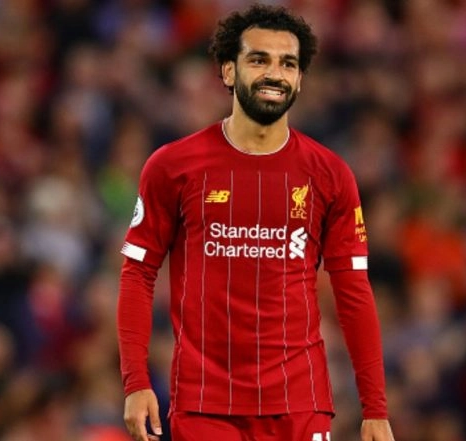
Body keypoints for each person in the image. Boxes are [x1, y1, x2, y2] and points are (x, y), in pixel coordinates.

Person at [117, 4, 395, 441]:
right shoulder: (173, 166)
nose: (275, 73)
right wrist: (136, 382)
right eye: (258, 59)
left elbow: (354, 293)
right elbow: (138, 272)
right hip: (206, 403)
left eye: (288, 63)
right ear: (228, 71)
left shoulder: (331, 175)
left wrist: (375, 408)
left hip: (299, 403)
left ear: (301, 78)